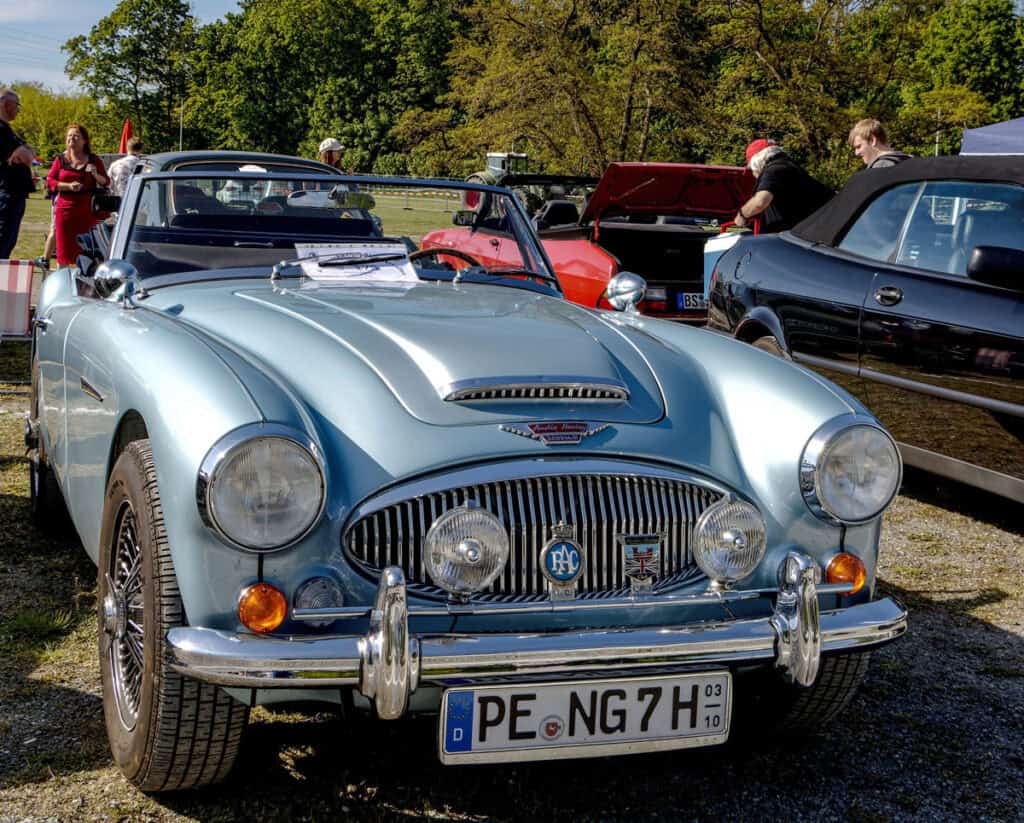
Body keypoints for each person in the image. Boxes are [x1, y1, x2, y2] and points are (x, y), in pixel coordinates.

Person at [734, 139, 832, 234]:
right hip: (815, 228)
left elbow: (760, 201)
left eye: (751, 168)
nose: (753, 173)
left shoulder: (773, 171)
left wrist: (742, 214)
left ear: (756, 161)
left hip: (792, 236)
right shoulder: (790, 166)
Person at [46, 123, 109, 266]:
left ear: (84, 140)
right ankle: (63, 275)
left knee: (86, 248)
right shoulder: (60, 159)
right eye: (69, 136)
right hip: (64, 209)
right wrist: (68, 186)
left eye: (76, 136)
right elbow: (50, 181)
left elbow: (106, 181)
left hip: (86, 211)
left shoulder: (94, 159)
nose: (71, 138)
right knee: (64, 249)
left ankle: (86, 276)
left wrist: (95, 174)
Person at [0, 88, 37, 259]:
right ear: (5, 104)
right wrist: (24, 151)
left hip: (14, 196)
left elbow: (29, 154)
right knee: (2, 243)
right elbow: (28, 157)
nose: (18, 109)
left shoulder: (8, 131)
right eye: (17, 105)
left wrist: (24, 151)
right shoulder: (1, 130)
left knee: (7, 243)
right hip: (6, 196)